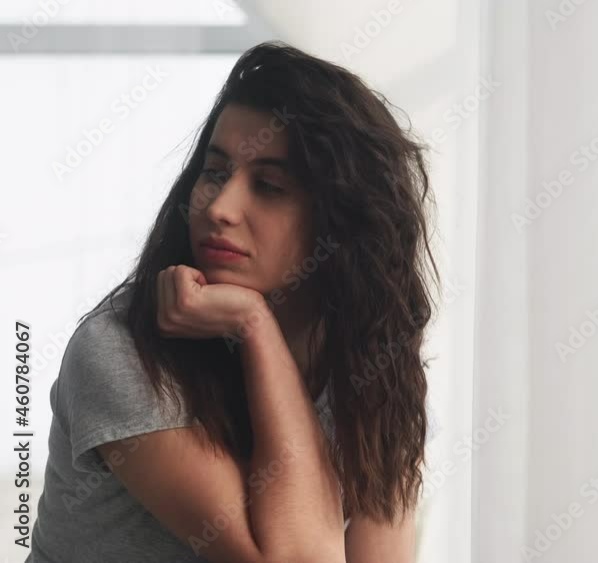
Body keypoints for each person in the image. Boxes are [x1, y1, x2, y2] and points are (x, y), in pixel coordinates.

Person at [25, 40, 441, 563]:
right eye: (215, 172)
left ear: (341, 221)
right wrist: (255, 323)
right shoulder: (120, 352)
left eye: (268, 185)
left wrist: (255, 328)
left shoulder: (371, 365)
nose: (220, 207)